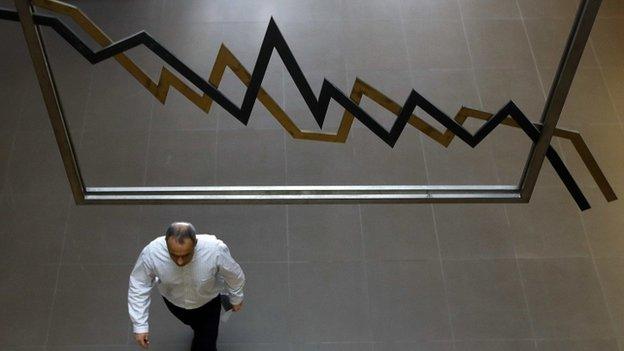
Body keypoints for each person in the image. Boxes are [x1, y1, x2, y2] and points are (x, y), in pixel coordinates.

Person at [128, 222, 245, 350]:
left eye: (185, 255)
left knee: (206, 340)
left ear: (195, 243)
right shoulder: (152, 253)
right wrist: (140, 326)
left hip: (208, 303)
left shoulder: (215, 250)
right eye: (174, 255)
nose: (180, 261)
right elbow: (139, 284)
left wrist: (236, 298)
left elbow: (234, 275)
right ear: (166, 242)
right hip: (174, 303)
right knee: (196, 325)